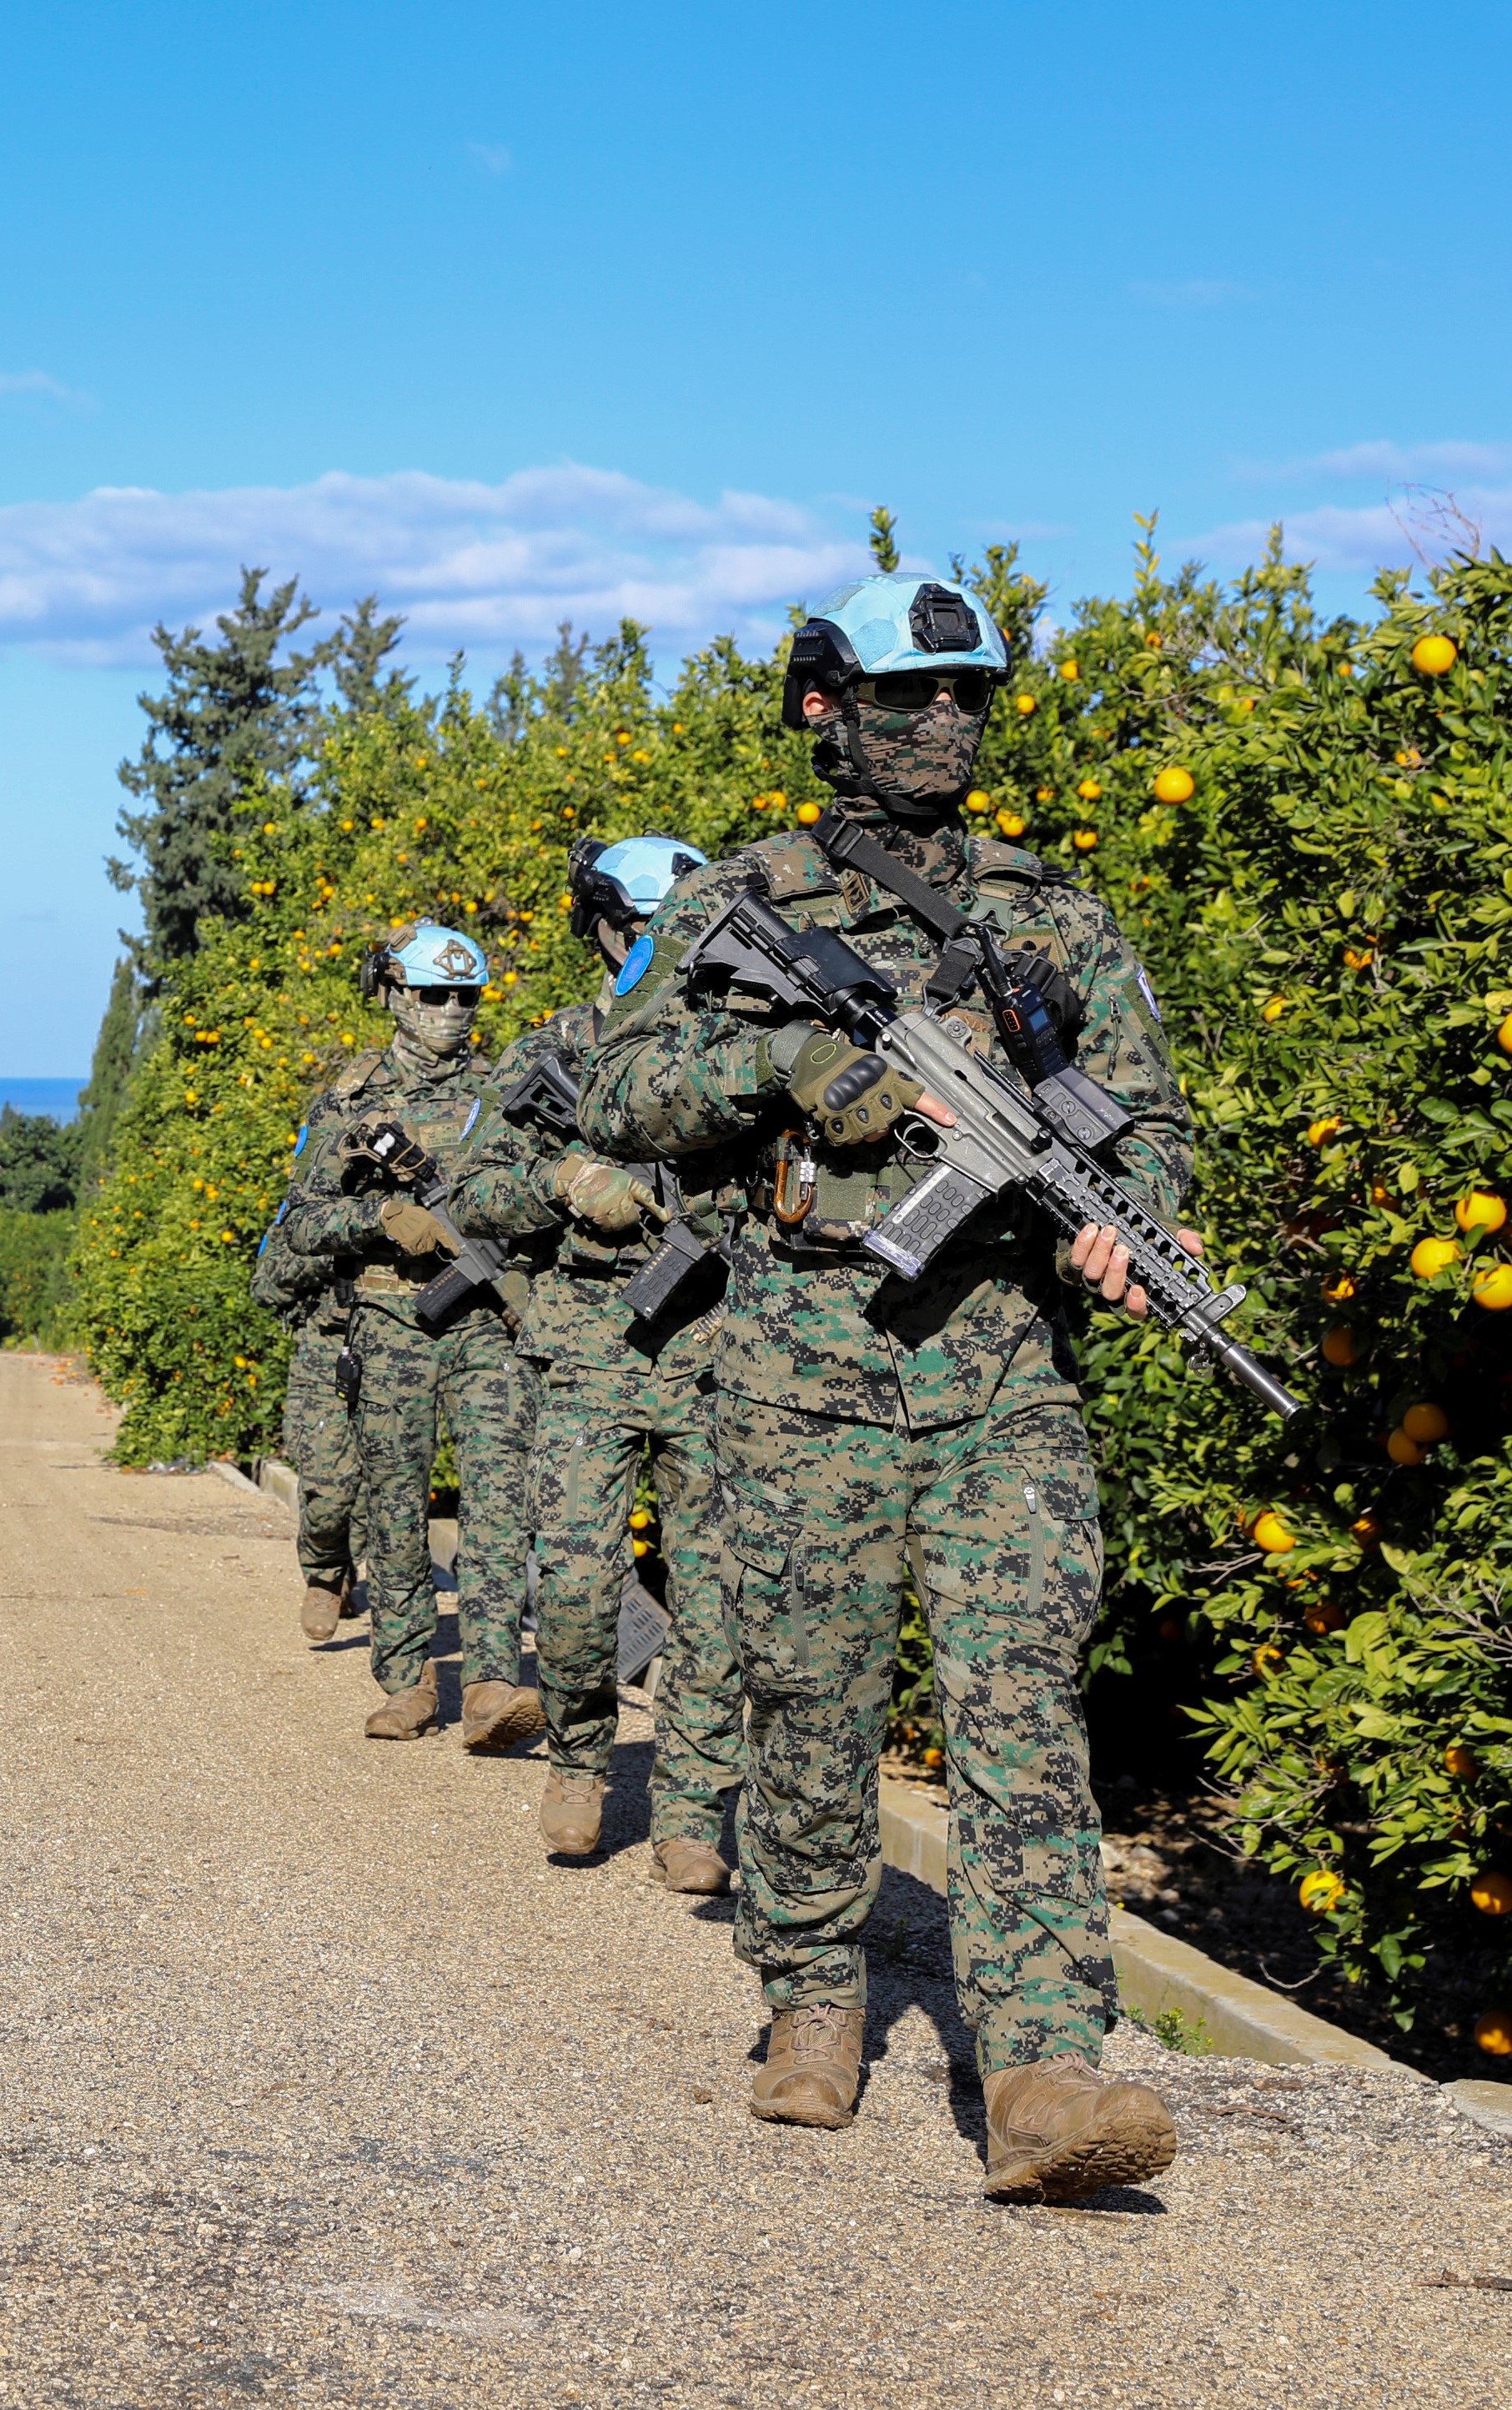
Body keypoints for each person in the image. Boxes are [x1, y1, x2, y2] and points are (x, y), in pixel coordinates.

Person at [584, 570, 1191, 2200]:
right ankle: (812, 1999)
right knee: (810, 1708)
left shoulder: (1054, 914)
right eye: (909, 695)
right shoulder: (749, 896)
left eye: (970, 696)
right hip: (798, 1383)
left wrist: (1139, 1232)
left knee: (1020, 1712)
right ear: (824, 708)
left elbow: (1142, 1122)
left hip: (1005, 1390)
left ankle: (1047, 2067)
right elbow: (622, 1088)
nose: (944, 724)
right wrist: (779, 1068)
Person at [452, 834, 744, 1885]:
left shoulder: (740, 1050)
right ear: (606, 930)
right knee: (576, 1582)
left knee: (719, 1592)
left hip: (721, 1349)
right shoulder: (556, 1048)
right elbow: (472, 1195)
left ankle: (694, 1809)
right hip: (589, 1348)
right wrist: (570, 1181)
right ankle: (580, 1757)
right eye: (645, 927)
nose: (661, 945)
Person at [259, 924, 544, 1748]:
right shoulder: (348, 1104)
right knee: (393, 1507)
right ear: (392, 995)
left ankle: (493, 1683)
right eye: (433, 994)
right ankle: (409, 1677)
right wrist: (381, 1216)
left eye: (467, 995)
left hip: (488, 1326)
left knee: (499, 1499)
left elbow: (542, 1197)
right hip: (389, 1326)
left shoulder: (506, 1096)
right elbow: (303, 1223)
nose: (452, 1011)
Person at [248, 1102, 364, 1643]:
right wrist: (340, 1242)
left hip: (400, 1352)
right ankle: (323, 1572)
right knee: (328, 1488)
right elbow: (266, 1283)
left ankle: (366, 1586)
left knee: (386, 1488)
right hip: (325, 1353)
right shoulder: (307, 1205)